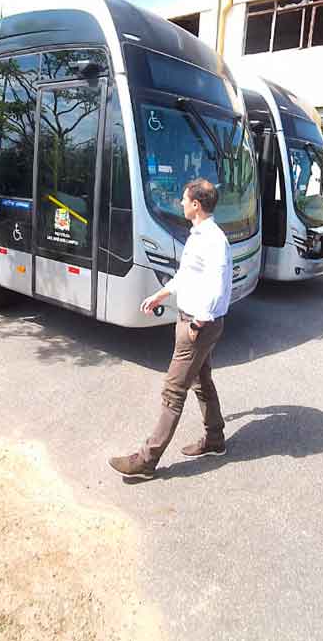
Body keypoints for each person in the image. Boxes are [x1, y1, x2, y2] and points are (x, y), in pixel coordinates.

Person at [109, 178, 232, 480]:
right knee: (201, 382)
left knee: (173, 391)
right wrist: (160, 295)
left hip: (198, 325)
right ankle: (215, 439)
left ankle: (146, 460)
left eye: (184, 199)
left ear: (196, 205)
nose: (180, 203)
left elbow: (217, 285)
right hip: (195, 321)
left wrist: (198, 322)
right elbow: (187, 277)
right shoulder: (199, 236)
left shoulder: (213, 240)